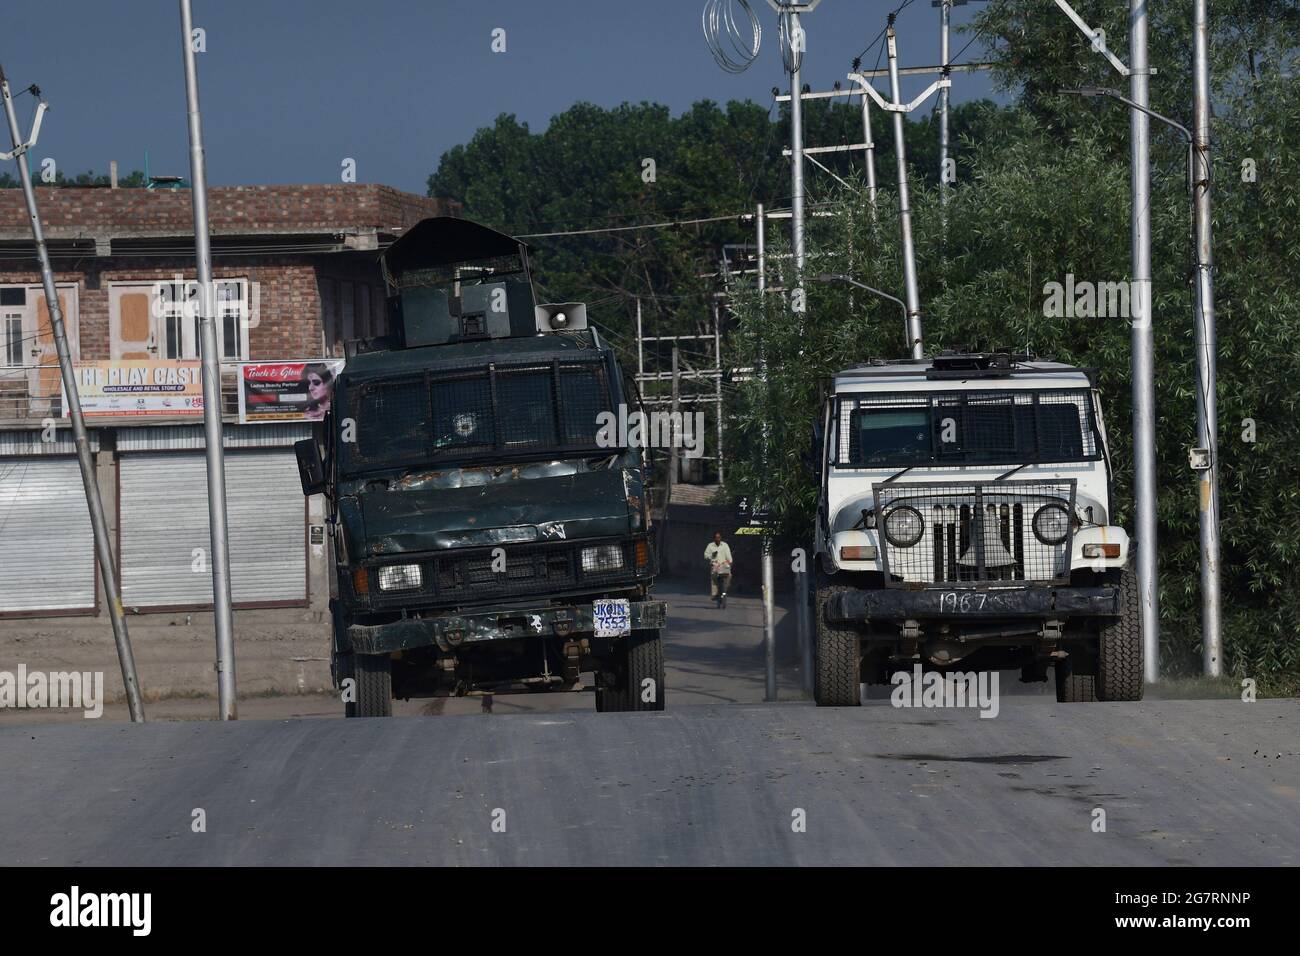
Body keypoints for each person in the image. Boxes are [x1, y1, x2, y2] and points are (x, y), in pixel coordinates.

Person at [704, 531, 733, 609]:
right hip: (715, 565)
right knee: (714, 579)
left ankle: (725, 591)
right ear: (714, 538)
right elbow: (705, 555)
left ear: (721, 538)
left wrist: (729, 562)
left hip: (723, 565)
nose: (717, 539)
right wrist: (711, 556)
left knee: (729, 576)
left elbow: (729, 556)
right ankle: (715, 594)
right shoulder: (710, 546)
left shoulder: (725, 545)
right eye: (716, 537)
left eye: (719, 537)